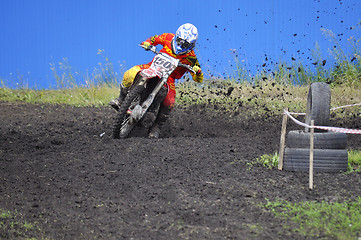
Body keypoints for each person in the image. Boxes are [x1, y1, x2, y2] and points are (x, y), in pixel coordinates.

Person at [109, 23, 204, 138]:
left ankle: (157, 126)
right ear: (176, 36)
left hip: (168, 78)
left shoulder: (191, 57)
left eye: (186, 44)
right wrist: (148, 43)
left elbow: (198, 78)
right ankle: (121, 98)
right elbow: (154, 39)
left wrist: (198, 72)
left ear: (192, 44)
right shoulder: (168, 37)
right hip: (152, 67)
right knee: (130, 73)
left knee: (170, 102)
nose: (181, 45)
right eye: (180, 41)